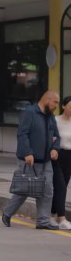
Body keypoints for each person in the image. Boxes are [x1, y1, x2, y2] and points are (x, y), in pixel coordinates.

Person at [3, 91, 60, 230]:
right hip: (29, 160)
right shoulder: (30, 112)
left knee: (47, 190)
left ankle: (43, 221)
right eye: (55, 102)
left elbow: (56, 135)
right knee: (25, 190)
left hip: (46, 160)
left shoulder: (50, 116)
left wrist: (55, 148)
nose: (56, 106)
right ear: (47, 99)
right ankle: (7, 212)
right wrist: (28, 152)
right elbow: (22, 134)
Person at [52, 96, 71, 230]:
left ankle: (52, 214)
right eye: (70, 106)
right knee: (61, 187)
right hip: (58, 155)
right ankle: (62, 218)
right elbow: (51, 137)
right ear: (63, 106)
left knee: (62, 187)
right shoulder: (55, 120)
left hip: (70, 157)